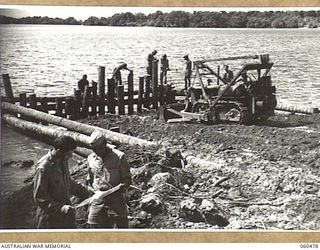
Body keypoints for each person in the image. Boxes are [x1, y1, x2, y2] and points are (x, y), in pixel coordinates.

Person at [33, 136, 90, 229]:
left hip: (66, 214)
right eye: (69, 153)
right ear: (59, 151)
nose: (71, 156)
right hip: (50, 219)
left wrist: (85, 191)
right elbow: (40, 197)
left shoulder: (63, 160)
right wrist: (61, 208)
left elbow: (68, 181)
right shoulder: (43, 168)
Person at [86, 131, 131, 228]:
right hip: (98, 198)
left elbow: (127, 179)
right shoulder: (91, 158)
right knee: (92, 225)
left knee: (122, 225)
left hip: (116, 198)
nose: (96, 152)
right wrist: (90, 189)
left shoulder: (119, 157)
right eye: (94, 149)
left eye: (99, 148)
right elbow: (89, 179)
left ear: (105, 144)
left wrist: (122, 187)